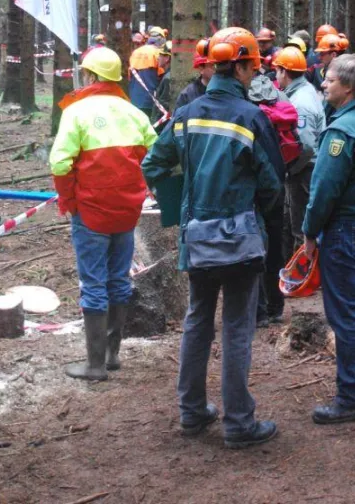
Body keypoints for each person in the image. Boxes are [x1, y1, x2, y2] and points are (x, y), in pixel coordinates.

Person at [142, 27, 282, 449]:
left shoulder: (185, 114)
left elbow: (153, 164)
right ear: (239, 67)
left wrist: (183, 204)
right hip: (239, 237)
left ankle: (191, 412)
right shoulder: (253, 117)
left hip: (197, 237)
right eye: (251, 67)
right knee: (237, 327)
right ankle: (239, 423)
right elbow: (272, 184)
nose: (252, 75)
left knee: (198, 320)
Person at [50, 47, 156, 380]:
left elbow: (59, 162)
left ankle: (95, 366)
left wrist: (69, 200)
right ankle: (111, 356)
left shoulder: (77, 111)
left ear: (91, 76)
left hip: (91, 212)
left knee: (93, 282)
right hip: (126, 212)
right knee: (118, 279)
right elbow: (153, 156)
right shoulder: (135, 113)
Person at [302, 54, 355, 424]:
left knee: (346, 313)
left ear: (348, 88)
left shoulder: (342, 131)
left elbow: (323, 189)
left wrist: (308, 230)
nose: (324, 84)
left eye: (331, 80)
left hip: (347, 230)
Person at [247, 73, 293, 327]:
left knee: (254, 244)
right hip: (278, 178)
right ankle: (276, 305)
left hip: (254, 184)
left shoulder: (243, 105)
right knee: (275, 244)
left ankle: (259, 310)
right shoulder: (279, 96)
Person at [273, 45, 325, 259]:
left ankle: (303, 273)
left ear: (284, 72)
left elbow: (306, 145)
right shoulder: (304, 92)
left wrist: (291, 169)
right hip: (305, 168)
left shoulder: (299, 103)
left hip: (304, 171)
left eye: (277, 70)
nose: (276, 75)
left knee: (300, 226)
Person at [173, 39, 214, 111]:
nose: (217, 70)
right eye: (213, 66)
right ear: (201, 69)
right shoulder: (187, 95)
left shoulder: (228, 92)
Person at [129, 37, 163, 120]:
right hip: (150, 98)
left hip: (134, 97)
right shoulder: (157, 53)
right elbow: (161, 74)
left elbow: (130, 74)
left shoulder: (135, 52)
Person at [155, 41, 173, 112]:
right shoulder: (167, 76)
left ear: (167, 58)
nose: (158, 58)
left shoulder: (167, 79)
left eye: (160, 55)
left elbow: (162, 107)